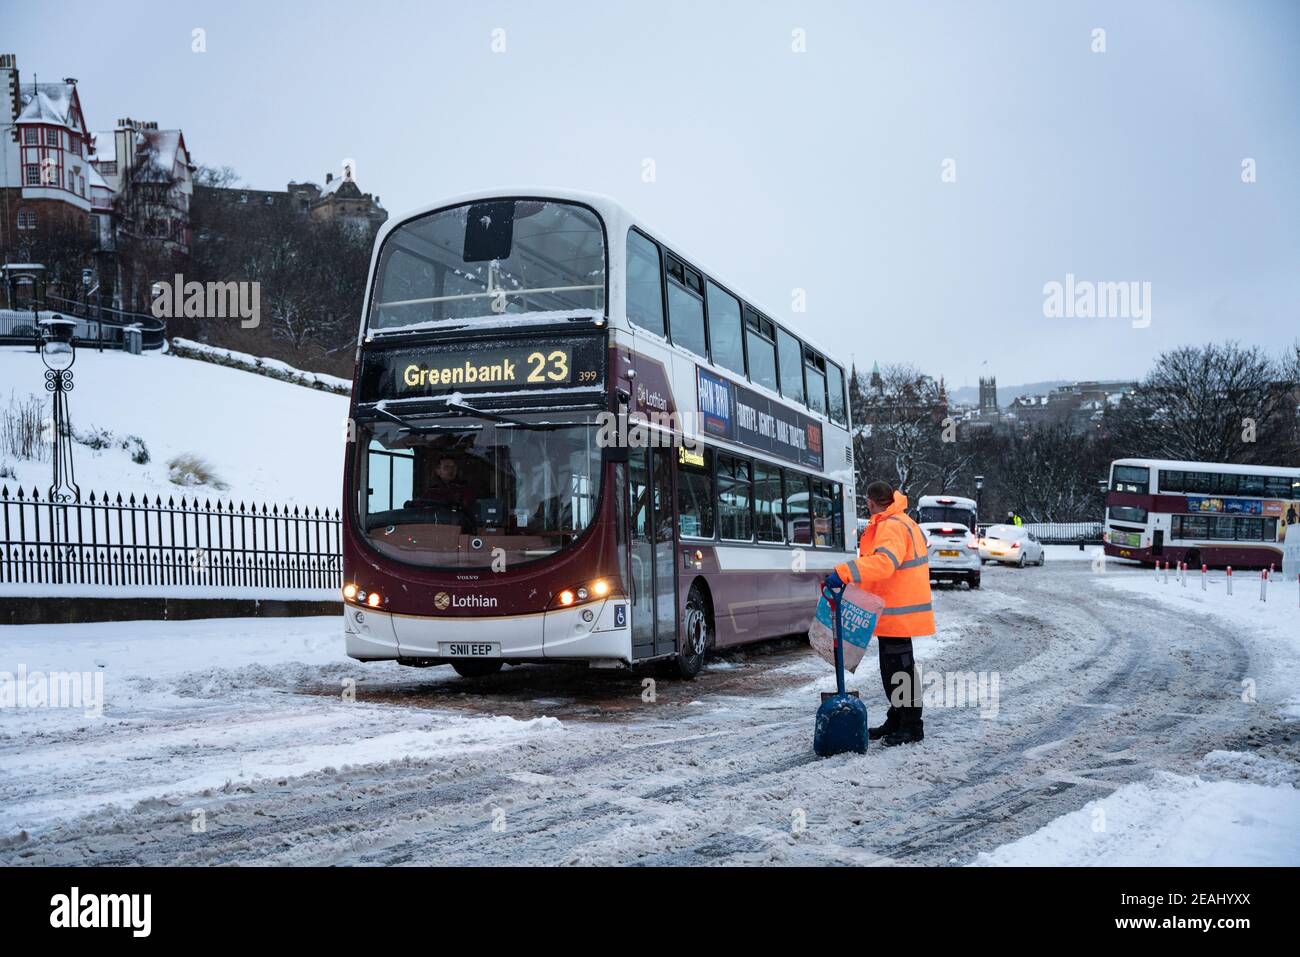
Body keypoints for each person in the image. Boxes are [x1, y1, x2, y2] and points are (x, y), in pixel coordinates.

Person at [824, 481, 935, 746]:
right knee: (895, 669)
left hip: (898, 612)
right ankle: (897, 719)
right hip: (897, 611)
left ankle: (911, 726)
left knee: (899, 672)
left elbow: (885, 563)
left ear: (871, 501)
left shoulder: (892, 526)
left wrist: (844, 572)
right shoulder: (902, 521)